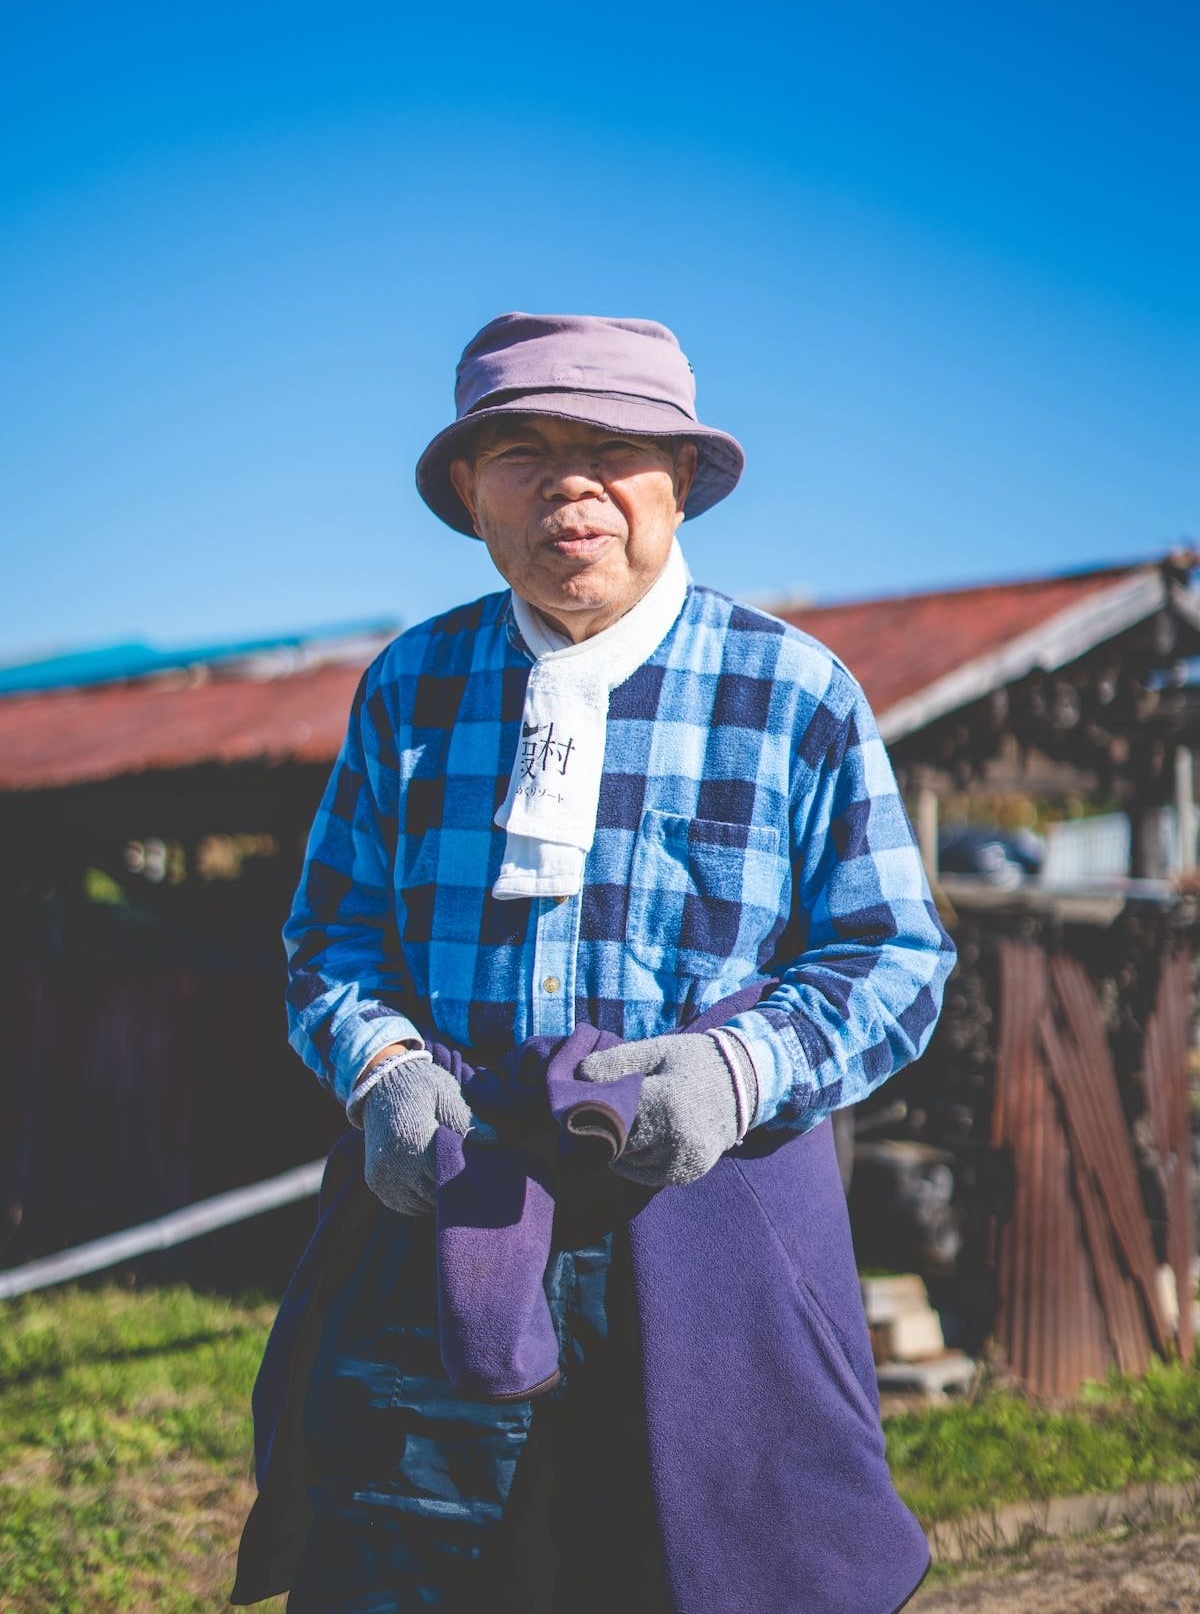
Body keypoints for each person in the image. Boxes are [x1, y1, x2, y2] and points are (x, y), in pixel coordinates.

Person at [259, 311, 957, 1614]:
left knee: (706, 1577)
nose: (568, 485)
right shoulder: (411, 687)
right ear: (470, 491)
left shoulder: (791, 690)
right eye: (522, 452)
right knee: (406, 1574)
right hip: (447, 1215)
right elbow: (331, 938)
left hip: (710, 1237)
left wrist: (739, 1071)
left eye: (614, 450)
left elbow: (894, 955)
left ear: (679, 480)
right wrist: (384, 1071)